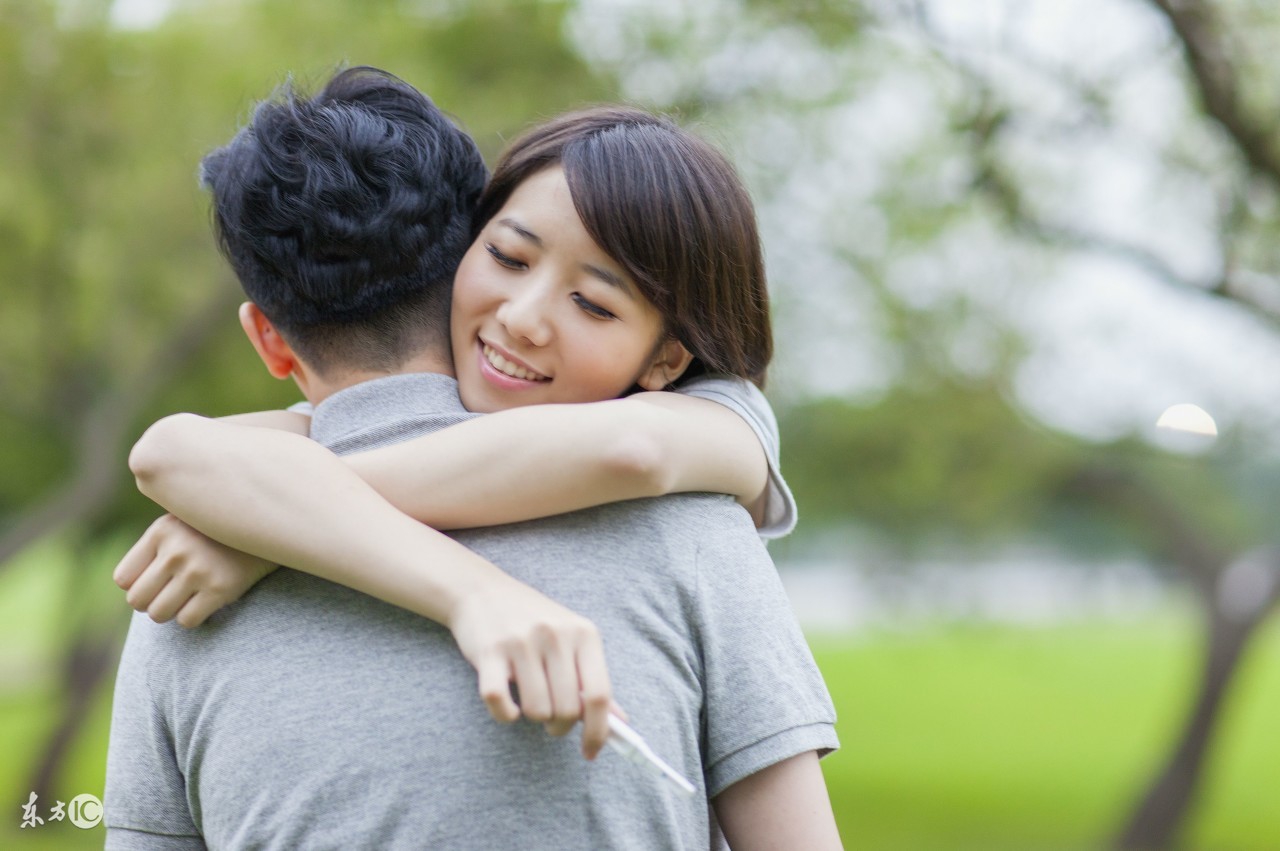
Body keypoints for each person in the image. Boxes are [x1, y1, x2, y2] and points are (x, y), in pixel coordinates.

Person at [105, 67, 840, 849]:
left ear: (668, 360)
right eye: (511, 258)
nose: (522, 318)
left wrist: (268, 527)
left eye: (594, 303)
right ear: (461, 250)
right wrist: (467, 590)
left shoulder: (186, 582)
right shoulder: (697, 540)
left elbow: (633, 448)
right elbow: (172, 452)